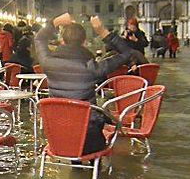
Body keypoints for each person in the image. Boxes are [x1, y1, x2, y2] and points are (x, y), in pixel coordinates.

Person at [35, 13, 146, 154]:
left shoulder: (48, 63)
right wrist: (102, 31)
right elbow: (128, 52)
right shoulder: (93, 68)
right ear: (84, 42)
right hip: (88, 139)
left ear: (62, 41)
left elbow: (39, 38)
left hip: (58, 138)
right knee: (99, 132)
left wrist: (55, 22)